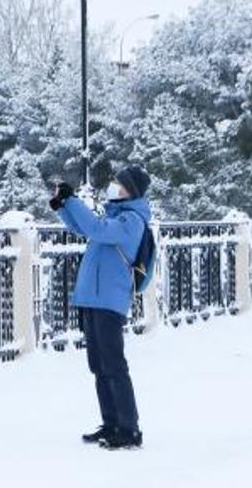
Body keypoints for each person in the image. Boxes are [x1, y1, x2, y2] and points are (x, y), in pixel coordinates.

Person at [49, 164, 152, 450]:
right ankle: (111, 423)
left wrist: (74, 200)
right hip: (92, 299)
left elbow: (95, 227)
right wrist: (63, 206)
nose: (113, 186)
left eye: (119, 183)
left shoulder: (132, 222)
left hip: (110, 300)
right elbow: (82, 227)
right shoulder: (114, 217)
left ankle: (129, 429)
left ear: (130, 191)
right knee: (98, 365)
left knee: (114, 365)